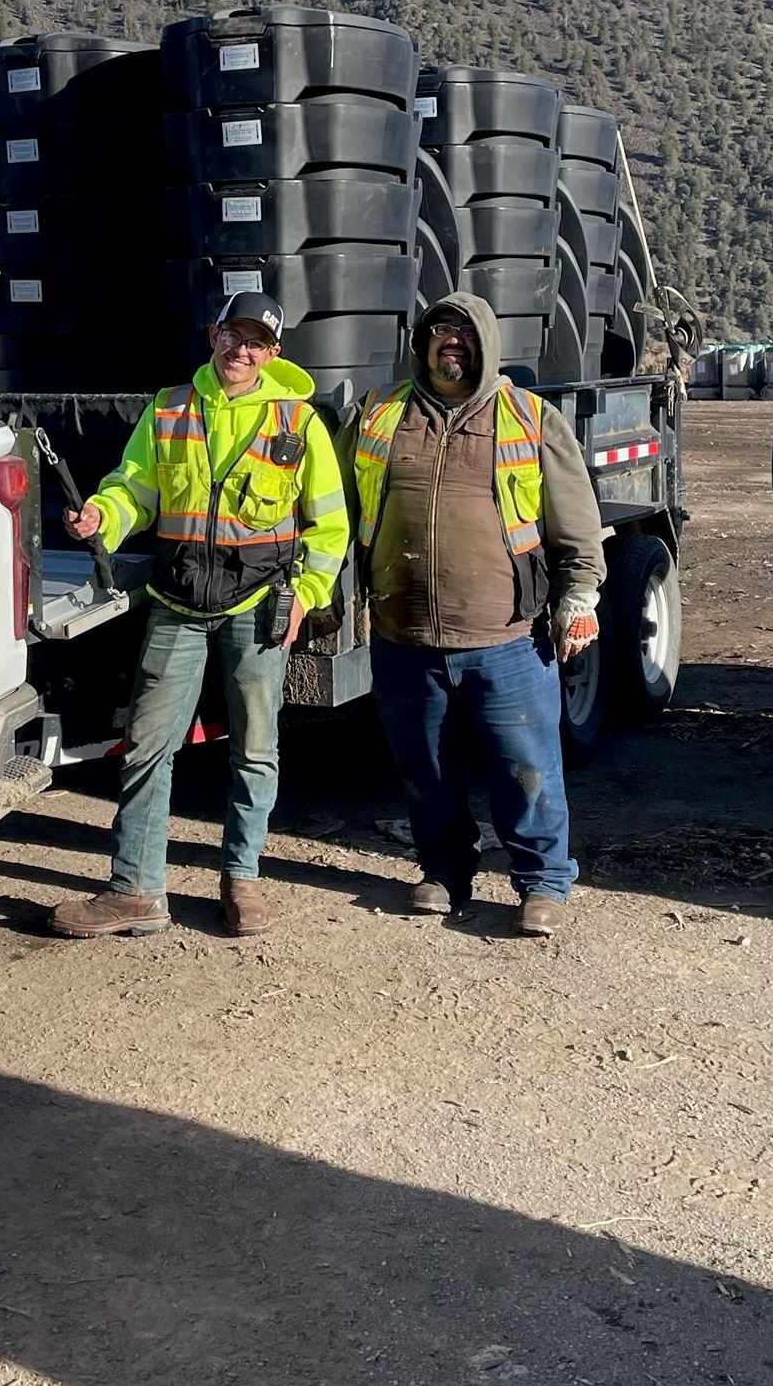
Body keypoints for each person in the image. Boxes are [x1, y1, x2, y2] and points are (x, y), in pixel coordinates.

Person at [47, 294, 349, 939]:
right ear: (214, 335)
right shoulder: (169, 409)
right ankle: (137, 891)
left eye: (256, 342)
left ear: (273, 353)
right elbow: (135, 488)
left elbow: (330, 525)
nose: (242, 350)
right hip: (176, 603)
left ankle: (243, 880)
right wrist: (104, 515)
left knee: (255, 751)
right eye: (233, 335)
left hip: (259, 605)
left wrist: (307, 595)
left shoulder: (298, 421)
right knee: (147, 748)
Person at [352, 292, 607, 936]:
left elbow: (577, 523)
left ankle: (542, 882)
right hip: (403, 635)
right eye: (441, 330)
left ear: (486, 344)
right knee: (426, 770)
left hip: (508, 637)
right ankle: (444, 871)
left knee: (526, 769)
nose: (452, 341)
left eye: (465, 332)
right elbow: (338, 508)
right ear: (423, 342)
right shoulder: (380, 413)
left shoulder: (530, 418)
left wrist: (579, 597)